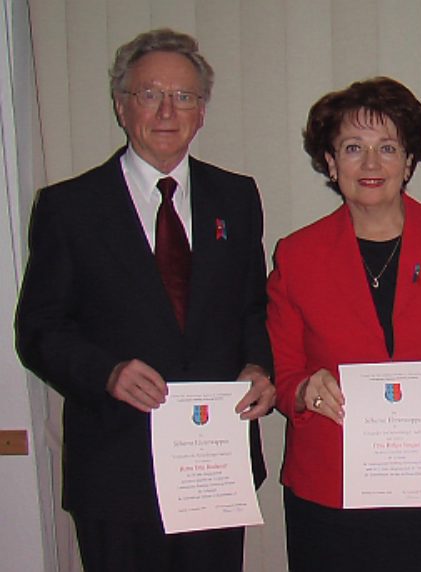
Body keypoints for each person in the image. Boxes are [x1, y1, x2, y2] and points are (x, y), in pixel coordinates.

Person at [15, 29, 275, 572]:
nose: (166, 110)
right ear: (120, 105)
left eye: (183, 96)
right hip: (116, 469)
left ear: (201, 112)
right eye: (148, 93)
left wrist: (258, 365)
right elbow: (39, 329)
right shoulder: (69, 206)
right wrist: (105, 371)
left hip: (213, 464)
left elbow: (253, 306)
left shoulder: (237, 196)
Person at [266, 76, 421, 571]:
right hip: (331, 491)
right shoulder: (298, 255)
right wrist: (302, 391)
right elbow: (283, 370)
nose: (372, 164)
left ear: (409, 161)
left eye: (388, 147)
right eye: (354, 148)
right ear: (332, 164)